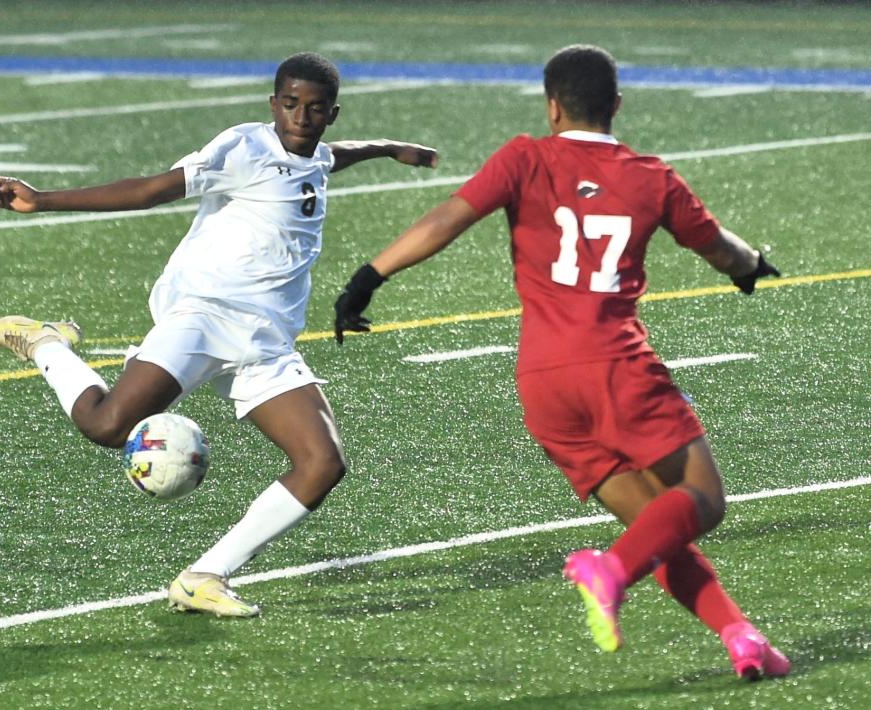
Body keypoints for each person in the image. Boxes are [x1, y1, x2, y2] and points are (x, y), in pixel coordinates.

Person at [333, 45, 789, 680]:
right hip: (615, 366)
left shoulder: (525, 157)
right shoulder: (651, 176)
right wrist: (751, 266)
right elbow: (723, 251)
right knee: (703, 501)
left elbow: (448, 217)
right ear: (617, 106)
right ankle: (609, 572)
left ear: (552, 107)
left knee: (656, 527)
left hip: (543, 383)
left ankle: (741, 635)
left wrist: (367, 277)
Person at [0, 52, 437, 618]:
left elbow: (331, 157)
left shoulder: (316, 153)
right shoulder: (243, 148)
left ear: (331, 114)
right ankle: (45, 343)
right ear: (273, 105)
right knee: (105, 425)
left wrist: (390, 148)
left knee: (322, 463)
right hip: (204, 316)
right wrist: (43, 200)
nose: (301, 116)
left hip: (266, 341)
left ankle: (203, 577)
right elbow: (154, 189)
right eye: (290, 104)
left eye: (314, 109)